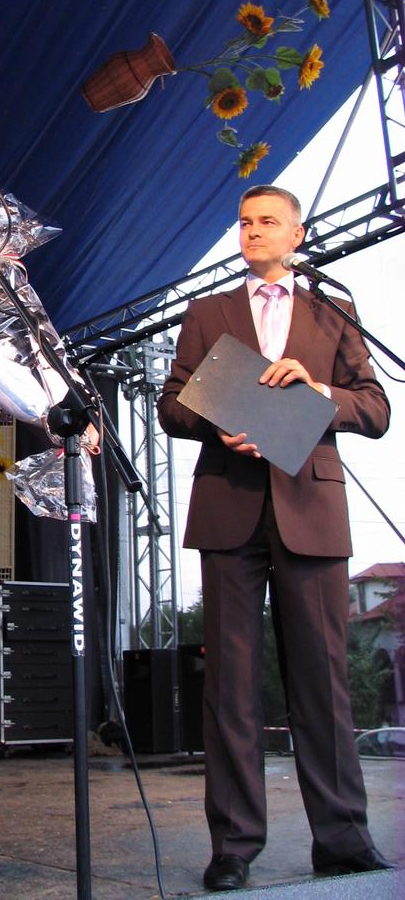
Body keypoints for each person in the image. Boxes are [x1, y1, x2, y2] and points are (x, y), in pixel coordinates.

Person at [157, 185, 397, 891]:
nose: (252, 231)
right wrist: (216, 421)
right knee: (230, 686)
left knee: (323, 680)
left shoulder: (333, 308)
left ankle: (343, 839)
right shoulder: (207, 313)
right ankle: (233, 847)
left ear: (298, 235)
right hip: (229, 504)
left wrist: (319, 392)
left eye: (267, 222)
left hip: (310, 506)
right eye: (244, 222)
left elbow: (376, 409)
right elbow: (171, 405)